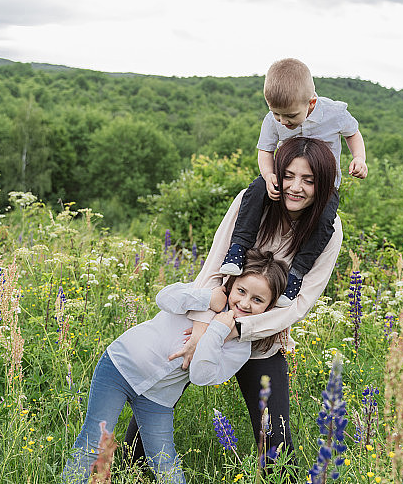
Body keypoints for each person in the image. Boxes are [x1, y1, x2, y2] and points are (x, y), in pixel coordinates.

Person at [124, 137, 344, 474]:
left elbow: (298, 305)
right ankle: (121, 473)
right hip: (207, 322)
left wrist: (239, 328)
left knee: (276, 443)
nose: (295, 188)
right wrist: (203, 330)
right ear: (276, 174)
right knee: (148, 414)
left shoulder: (328, 230)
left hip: (261, 339)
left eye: (309, 180)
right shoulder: (251, 202)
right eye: (288, 175)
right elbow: (213, 268)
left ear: (323, 184)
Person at [63, 250, 289, 484]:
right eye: (241, 291)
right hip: (120, 367)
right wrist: (206, 299)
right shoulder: (206, 292)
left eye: (257, 300)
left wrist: (217, 331)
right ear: (232, 284)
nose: (244, 302)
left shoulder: (240, 347)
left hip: (159, 398)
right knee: (94, 441)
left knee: (164, 463)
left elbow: (201, 376)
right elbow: (164, 297)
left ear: (269, 308)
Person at [220, 58, 366, 306]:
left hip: (322, 186)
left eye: (289, 116)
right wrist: (268, 176)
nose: (282, 122)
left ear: (311, 103)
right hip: (283, 178)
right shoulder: (273, 118)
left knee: (324, 220)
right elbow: (265, 151)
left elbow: (352, 133)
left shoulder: (333, 113)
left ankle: (296, 273)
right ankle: (238, 248)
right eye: (276, 114)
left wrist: (359, 158)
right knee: (254, 192)